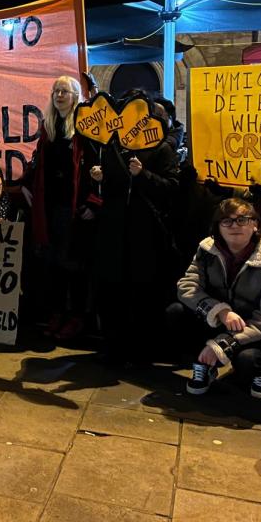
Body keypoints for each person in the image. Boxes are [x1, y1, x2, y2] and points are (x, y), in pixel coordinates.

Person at [170, 198, 261, 399]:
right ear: (218, 227)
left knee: (248, 361)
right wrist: (220, 311)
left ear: (255, 225)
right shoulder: (206, 250)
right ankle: (203, 364)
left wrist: (222, 344)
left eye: (242, 220)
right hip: (221, 320)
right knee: (175, 313)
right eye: (226, 221)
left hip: (260, 330)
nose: (234, 226)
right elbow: (187, 287)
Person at [89, 93, 180, 366]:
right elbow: (110, 191)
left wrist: (144, 175)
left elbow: (172, 189)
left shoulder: (161, 148)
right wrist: (100, 179)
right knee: (112, 289)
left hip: (145, 235)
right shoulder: (113, 147)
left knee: (141, 292)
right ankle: (113, 345)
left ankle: (140, 349)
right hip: (114, 232)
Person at [28, 75, 93, 340]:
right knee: (53, 263)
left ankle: (75, 316)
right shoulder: (49, 127)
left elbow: (92, 166)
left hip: (74, 207)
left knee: (72, 264)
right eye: (56, 91)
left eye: (64, 91)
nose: (59, 95)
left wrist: (93, 202)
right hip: (51, 206)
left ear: (76, 96)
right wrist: (26, 182)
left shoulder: (86, 128)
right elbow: (39, 160)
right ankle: (57, 312)